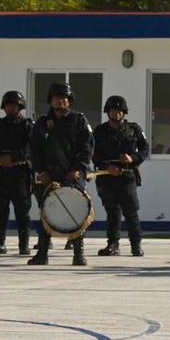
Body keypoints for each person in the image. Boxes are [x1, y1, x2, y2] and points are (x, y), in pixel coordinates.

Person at [28, 81, 94, 266]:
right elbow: (34, 150)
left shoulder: (79, 121)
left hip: (73, 176)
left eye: (63, 99)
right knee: (45, 213)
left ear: (69, 102)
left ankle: (78, 253)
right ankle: (42, 252)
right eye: (56, 99)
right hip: (48, 176)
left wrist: (77, 169)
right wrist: (40, 171)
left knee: (77, 212)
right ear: (51, 101)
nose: (60, 102)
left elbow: (87, 147)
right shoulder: (42, 123)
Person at [92, 95, 150, 257]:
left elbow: (145, 149)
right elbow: (93, 155)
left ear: (124, 112)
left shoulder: (134, 129)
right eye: (112, 111)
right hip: (106, 177)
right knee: (112, 213)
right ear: (107, 112)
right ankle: (113, 244)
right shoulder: (99, 131)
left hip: (127, 176)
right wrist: (107, 167)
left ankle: (136, 245)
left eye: (119, 111)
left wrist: (133, 159)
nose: (115, 114)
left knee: (131, 212)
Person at [0, 90, 35, 256]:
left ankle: (23, 245)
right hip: (0, 173)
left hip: (20, 173)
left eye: (14, 106)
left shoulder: (27, 125)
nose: (11, 108)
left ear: (20, 107)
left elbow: (31, 146)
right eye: (8, 106)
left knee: (22, 212)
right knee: (0, 211)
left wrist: (13, 156)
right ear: (4, 107)